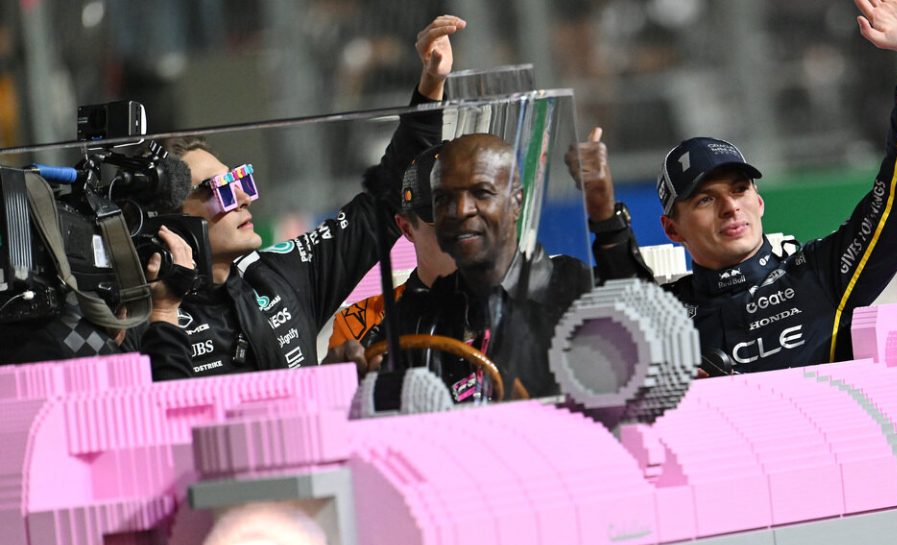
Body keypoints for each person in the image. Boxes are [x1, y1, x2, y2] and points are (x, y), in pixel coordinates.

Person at [127, 15, 466, 380]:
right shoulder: (139, 323)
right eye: (220, 189)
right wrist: (164, 312)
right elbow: (164, 411)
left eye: (239, 180)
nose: (243, 197)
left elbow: (384, 201)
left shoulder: (280, 276)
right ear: (173, 224)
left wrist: (431, 84)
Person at [656, 0, 897, 374]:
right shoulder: (658, 317)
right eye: (705, 200)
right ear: (672, 229)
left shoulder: (818, 274)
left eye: (740, 190)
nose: (730, 207)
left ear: (759, 202)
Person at [384, 129, 649, 403]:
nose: (462, 211)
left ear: (516, 203)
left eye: (481, 193)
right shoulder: (419, 317)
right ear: (407, 228)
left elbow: (652, 345)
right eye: (443, 201)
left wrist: (607, 221)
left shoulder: (566, 284)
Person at [324, 143, 456, 371]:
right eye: (446, 219)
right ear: (406, 228)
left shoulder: (516, 299)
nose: (465, 231)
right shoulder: (359, 325)